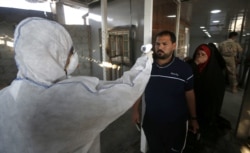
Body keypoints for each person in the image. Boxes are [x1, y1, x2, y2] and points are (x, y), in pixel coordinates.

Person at [0, 17, 153, 153]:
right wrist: (146, 59)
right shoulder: (71, 98)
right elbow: (126, 88)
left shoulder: (4, 96)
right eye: (70, 52)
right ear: (55, 53)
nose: (74, 58)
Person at [132, 30, 199, 153]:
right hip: (152, 122)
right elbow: (139, 89)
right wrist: (135, 110)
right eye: (157, 44)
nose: (160, 47)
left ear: (174, 45)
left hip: (176, 125)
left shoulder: (184, 69)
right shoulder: (147, 67)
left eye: (164, 44)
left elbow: (190, 94)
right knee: (155, 149)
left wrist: (193, 118)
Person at [188, 44, 226, 128]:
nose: (199, 57)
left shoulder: (215, 71)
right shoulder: (191, 64)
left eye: (203, 54)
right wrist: (196, 63)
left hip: (206, 105)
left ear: (209, 56)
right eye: (198, 54)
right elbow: (185, 75)